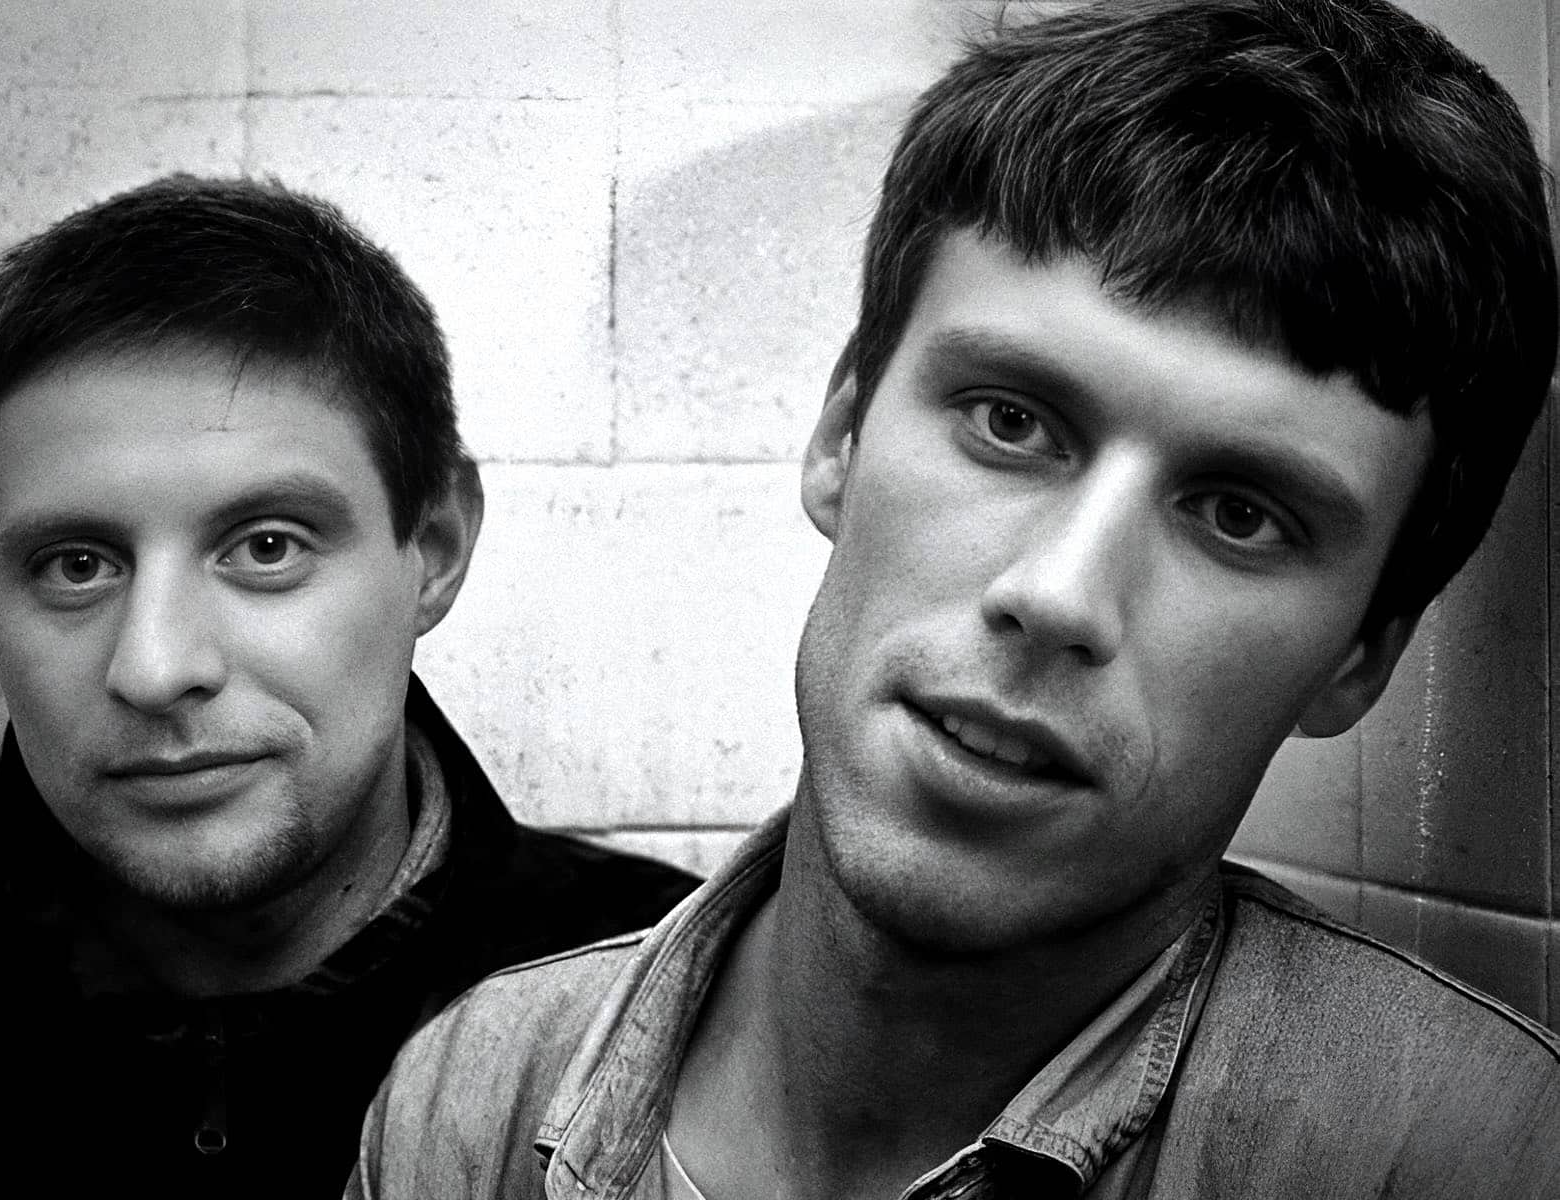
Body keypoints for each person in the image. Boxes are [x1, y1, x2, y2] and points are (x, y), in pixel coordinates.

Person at [353, 2, 1560, 1197]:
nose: (1056, 594)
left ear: (1359, 653)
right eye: (1010, 423)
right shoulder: (471, 1098)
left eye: (1237, 514)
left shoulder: (1471, 1158)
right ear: (841, 434)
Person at [0, 174, 698, 1199]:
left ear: (432, 549)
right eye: (76, 565)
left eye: (266, 547)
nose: (156, 668)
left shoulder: (679, 1014)